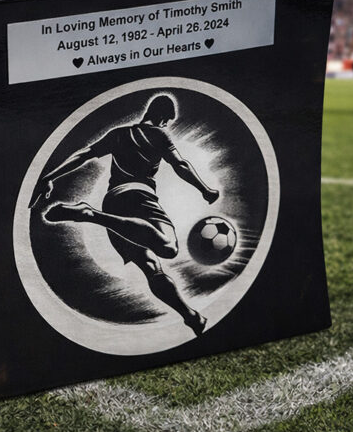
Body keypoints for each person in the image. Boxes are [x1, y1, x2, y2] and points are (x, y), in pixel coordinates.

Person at [28, 94, 219, 337]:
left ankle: (190, 316)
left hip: (113, 202)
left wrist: (49, 177)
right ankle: (90, 214)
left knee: (151, 267)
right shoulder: (158, 134)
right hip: (139, 196)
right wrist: (205, 190)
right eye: (167, 121)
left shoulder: (118, 134)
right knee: (168, 247)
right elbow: (180, 164)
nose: (165, 126)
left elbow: (84, 154)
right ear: (161, 116)